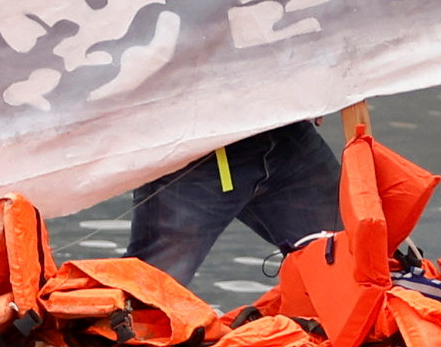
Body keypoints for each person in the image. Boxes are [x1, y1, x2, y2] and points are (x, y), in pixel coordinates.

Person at [118, 117, 344, 288]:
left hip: (287, 134)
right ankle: (116, 343)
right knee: (152, 288)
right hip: (193, 149)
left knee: (351, 257)